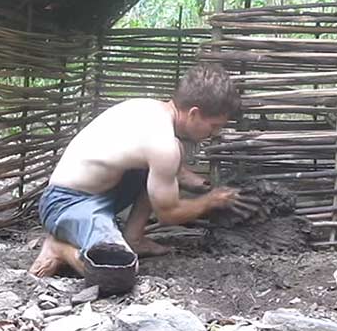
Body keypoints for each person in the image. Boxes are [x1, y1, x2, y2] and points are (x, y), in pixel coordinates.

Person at [28, 63, 248, 282]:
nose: (215, 133)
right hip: (66, 203)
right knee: (118, 273)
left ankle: (133, 238)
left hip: (99, 192)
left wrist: (205, 186)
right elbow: (168, 214)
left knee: (172, 156)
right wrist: (211, 201)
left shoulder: (150, 110)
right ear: (193, 114)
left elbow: (175, 173)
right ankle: (59, 249)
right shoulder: (162, 144)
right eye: (214, 125)